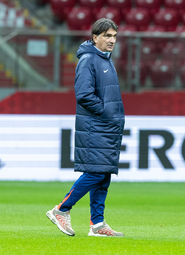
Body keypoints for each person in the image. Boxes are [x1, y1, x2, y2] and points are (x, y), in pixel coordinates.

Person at [46, 18, 125, 237]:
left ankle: (97, 225)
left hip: (106, 127)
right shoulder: (89, 59)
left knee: (104, 174)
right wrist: (106, 113)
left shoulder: (104, 60)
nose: (112, 40)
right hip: (96, 126)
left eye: (114, 36)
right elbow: (83, 94)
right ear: (95, 37)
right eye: (107, 36)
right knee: (95, 173)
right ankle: (61, 209)